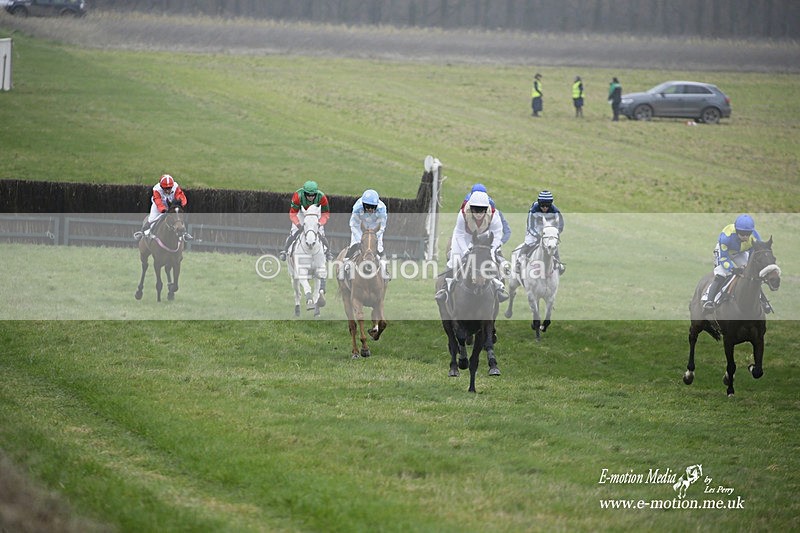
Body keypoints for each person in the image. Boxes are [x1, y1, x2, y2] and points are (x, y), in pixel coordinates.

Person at [435, 191, 508, 303]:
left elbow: (498, 234)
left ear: (486, 209)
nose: (478, 214)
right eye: (475, 210)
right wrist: (465, 251)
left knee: (493, 261)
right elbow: (459, 235)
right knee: (454, 261)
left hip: (485, 237)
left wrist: (492, 250)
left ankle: (498, 289)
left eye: (481, 210)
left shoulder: (494, 214)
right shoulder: (462, 214)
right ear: (471, 208)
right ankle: (444, 290)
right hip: (464, 236)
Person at [702, 214, 772, 313]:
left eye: (747, 234)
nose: (745, 237)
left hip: (740, 252)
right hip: (724, 253)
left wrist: (749, 266)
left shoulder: (755, 237)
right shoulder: (726, 236)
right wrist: (733, 269)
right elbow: (723, 258)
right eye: (742, 234)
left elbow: (754, 254)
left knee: (752, 273)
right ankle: (709, 301)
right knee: (721, 274)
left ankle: (763, 300)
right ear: (737, 231)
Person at [339, 189, 388, 280]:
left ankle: (385, 271)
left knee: (380, 249)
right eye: (367, 206)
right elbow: (353, 225)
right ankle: (345, 267)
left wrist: (372, 237)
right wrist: (361, 239)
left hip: (375, 230)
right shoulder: (357, 208)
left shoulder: (382, 209)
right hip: (359, 229)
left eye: (372, 207)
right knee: (354, 246)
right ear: (363, 205)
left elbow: (382, 227)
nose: (370, 209)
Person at [279, 180, 332, 261]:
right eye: (308, 194)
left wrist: (320, 223)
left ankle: (327, 252)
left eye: (313, 195)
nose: (311, 197)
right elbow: (293, 214)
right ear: (304, 193)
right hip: (301, 214)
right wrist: (298, 224)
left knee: (321, 233)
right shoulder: (297, 195)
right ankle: (285, 251)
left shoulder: (322, 197)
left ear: (316, 193)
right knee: (294, 232)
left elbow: (325, 214)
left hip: (315, 214)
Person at [517, 190, 565, 275]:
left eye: (547, 205)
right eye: (542, 205)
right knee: (529, 242)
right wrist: (537, 235)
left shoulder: (555, 211)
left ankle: (558, 263)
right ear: (539, 204)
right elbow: (530, 226)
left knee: (552, 244)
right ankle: (519, 261)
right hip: (534, 229)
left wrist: (555, 233)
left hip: (548, 229)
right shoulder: (533, 210)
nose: (545, 208)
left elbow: (561, 224)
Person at [134, 174, 193, 241]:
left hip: (171, 205)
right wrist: (163, 210)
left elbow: (180, 196)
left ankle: (184, 234)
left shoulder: (175, 186)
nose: (168, 191)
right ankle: (143, 232)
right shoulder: (156, 189)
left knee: (178, 216)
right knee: (152, 219)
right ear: (161, 186)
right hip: (158, 205)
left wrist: (181, 203)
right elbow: (158, 201)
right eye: (165, 189)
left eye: (169, 188)